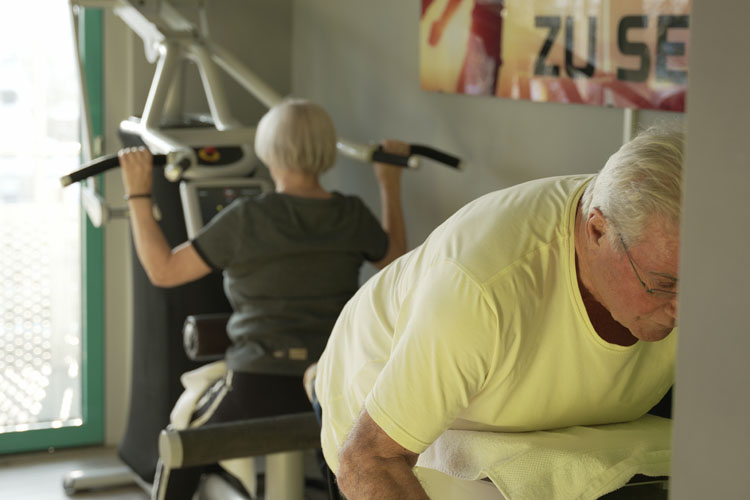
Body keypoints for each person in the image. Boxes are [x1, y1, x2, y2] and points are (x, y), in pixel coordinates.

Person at [313, 124, 684, 499]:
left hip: (550, 409)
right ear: (597, 231)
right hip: (379, 415)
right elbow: (369, 459)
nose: (686, 307)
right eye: (664, 284)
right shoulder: (480, 289)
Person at [118, 98, 408, 499]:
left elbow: (163, 270)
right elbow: (396, 260)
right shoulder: (352, 215)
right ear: (326, 150)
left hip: (257, 385)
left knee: (181, 444)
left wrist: (137, 195)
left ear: (268, 150)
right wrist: (389, 182)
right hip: (328, 385)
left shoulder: (246, 218)